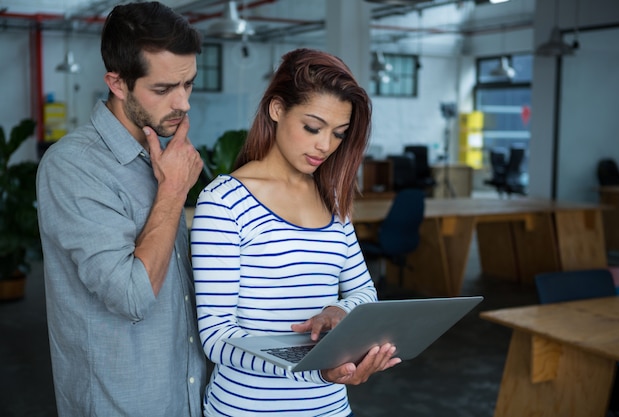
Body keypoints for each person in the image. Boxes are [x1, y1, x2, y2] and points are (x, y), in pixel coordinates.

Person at [190, 48, 401, 417]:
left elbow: (363, 291)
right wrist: (315, 368)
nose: (326, 145)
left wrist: (340, 309)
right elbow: (217, 337)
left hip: (331, 410)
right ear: (276, 109)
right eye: (312, 127)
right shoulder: (223, 201)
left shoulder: (332, 196)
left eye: (339, 133)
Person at [36, 2, 207, 415]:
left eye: (188, 84)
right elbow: (132, 296)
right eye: (164, 89)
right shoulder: (72, 166)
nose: (182, 103)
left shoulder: (165, 156)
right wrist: (173, 192)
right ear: (117, 83)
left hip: (187, 395)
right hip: (123, 402)